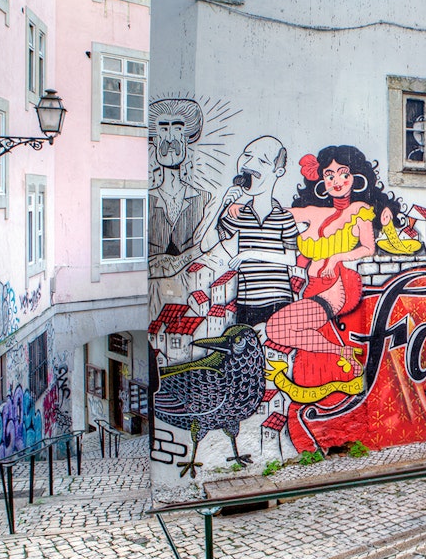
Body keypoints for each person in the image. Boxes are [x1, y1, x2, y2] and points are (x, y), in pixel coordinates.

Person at [264, 145, 401, 381]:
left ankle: (340, 353)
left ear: (356, 177)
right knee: (299, 341)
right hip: (314, 286)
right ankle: (340, 355)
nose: (336, 180)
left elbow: (368, 248)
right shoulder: (313, 212)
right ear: (322, 181)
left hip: (336, 285)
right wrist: (238, 203)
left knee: (277, 327)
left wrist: (336, 257)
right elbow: (272, 211)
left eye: (343, 173)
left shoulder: (360, 210)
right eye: (329, 175)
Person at [208, 136, 300, 325]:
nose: (250, 163)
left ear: (278, 171)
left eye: (262, 160)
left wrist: (248, 254)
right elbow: (206, 244)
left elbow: (290, 259)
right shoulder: (240, 215)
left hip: (278, 301)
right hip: (246, 303)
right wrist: (222, 205)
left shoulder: (284, 217)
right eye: (247, 155)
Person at [148, 98, 215, 280]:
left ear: (187, 138)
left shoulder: (204, 199)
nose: (170, 139)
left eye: (177, 128)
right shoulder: (146, 201)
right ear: (154, 139)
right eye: (164, 128)